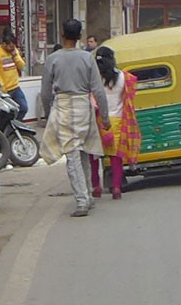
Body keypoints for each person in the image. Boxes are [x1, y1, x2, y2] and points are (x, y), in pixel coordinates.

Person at [39, 18, 110, 217]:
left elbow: (45, 92)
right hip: (83, 106)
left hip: (63, 107)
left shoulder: (53, 59)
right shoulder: (87, 58)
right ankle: (86, 193)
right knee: (84, 151)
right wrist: (105, 117)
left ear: (62, 34)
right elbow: (98, 90)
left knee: (72, 154)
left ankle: (81, 201)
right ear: (80, 36)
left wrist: (47, 113)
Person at [90, 46, 140, 200]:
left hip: (98, 119)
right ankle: (116, 187)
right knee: (115, 158)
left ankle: (96, 186)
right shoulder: (125, 77)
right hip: (116, 121)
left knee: (94, 157)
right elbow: (130, 96)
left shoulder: (94, 78)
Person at [0, 29, 28, 120]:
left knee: (23, 108)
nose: (11, 48)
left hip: (15, 87)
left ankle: (14, 128)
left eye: (13, 46)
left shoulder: (14, 51)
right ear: (3, 44)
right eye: (9, 46)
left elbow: (22, 67)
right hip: (4, 90)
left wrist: (15, 56)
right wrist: (2, 88)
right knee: (5, 113)